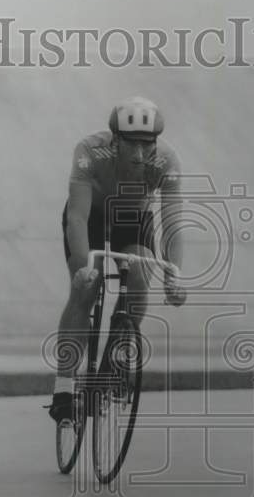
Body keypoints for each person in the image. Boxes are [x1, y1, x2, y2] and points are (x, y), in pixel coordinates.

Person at [48, 96, 186, 423]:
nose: (139, 154)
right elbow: (78, 218)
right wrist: (83, 266)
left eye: (146, 145)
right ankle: (64, 387)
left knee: (140, 271)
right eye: (130, 145)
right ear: (115, 140)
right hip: (91, 216)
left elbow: (172, 224)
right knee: (86, 286)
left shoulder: (166, 160)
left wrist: (174, 275)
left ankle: (111, 367)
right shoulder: (90, 151)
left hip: (133, 219)